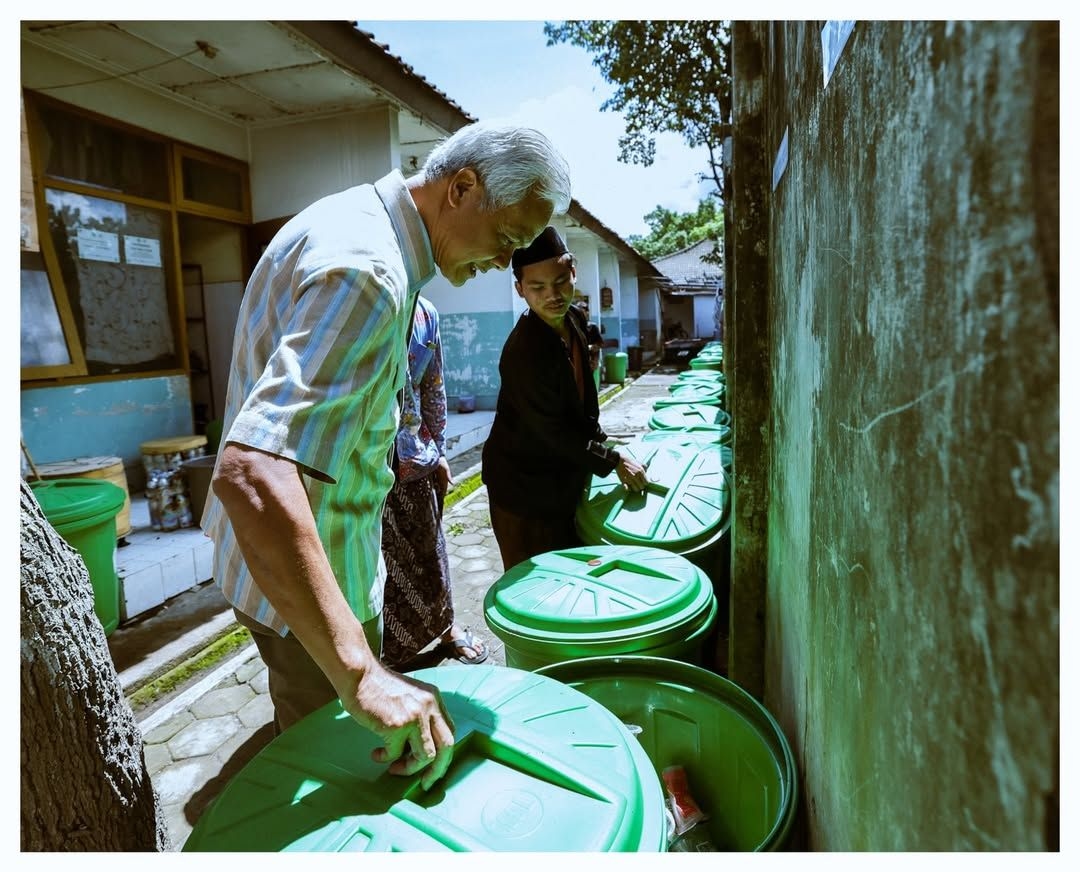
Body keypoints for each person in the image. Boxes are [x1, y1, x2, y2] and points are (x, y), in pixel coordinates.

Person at [201, 123, 571, 791]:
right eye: (508, 240)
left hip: (297, 566)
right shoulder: (369, 272)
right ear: (462, 188)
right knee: (338, 783)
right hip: (304, 581)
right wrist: (361, 675)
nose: (502, 261)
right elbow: (253, 472)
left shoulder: (355, 223)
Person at [482, 226, 649, 572]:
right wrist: (613, 461)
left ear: (573, 272)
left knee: (571, 567)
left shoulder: (574, 319)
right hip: (521, 488)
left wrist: (604, 442)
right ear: (520, 290)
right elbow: (555, 433)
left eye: (560, 282)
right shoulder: (522, 353)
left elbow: (582, 400)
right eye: (537, 288)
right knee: (534, 582)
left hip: (561, 474)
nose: (552, 295)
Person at [381, 295, 488, 667]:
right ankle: (387, 656)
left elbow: (433, 386)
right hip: (363, 468)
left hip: (415, 458)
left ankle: (446, 628)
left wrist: (440, 451)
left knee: (431, 554)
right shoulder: (363, 307)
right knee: (382, 568)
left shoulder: (426, 314)